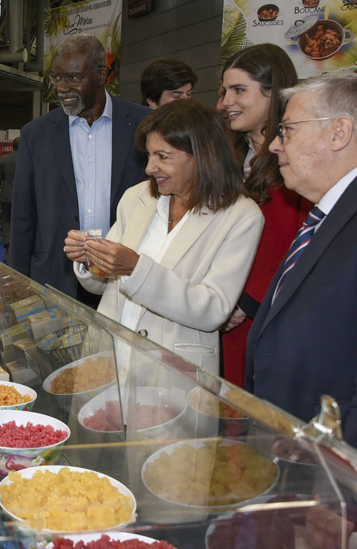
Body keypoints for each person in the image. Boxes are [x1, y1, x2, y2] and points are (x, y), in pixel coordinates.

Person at [64, 99, 264, 373]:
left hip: (172, 371)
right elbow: (103, 285)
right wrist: (91, 259)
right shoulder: (136, 197)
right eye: (149, 156)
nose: (149, 168)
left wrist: (135, 268)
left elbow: (213, 310)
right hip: (109, 356)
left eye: (163, 156)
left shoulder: (241, 216)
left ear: (203, 155)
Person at [246, 74, 357, 443]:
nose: (275, 145)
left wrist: (334, 456)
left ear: (339, 132)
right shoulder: (325, 216)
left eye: (288, 130)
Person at [10, 34, 151, 304]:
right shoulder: (36, 134)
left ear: (102, 76)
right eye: (56, 78)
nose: (62, 88)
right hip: (53, 276)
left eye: (73, 78)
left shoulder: (143, 125)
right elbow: (23, 216)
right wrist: (18, 280)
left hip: (121, 279)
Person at [217, 44, 311, 387]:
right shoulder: (227, 154)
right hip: (218, 308)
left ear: (275, 93)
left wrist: (250, 299)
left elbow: (305, 239)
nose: (227, 101)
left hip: (270, 313)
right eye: (225, 90)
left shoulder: (300, 159)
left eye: (240, 90)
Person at [0, 137, 19, 253]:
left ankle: (8, 245)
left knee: (6, 222)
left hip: (6, 197)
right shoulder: (28, 159)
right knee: (19, 222)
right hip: (22, 198)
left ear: (12, 146)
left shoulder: (4, 159)